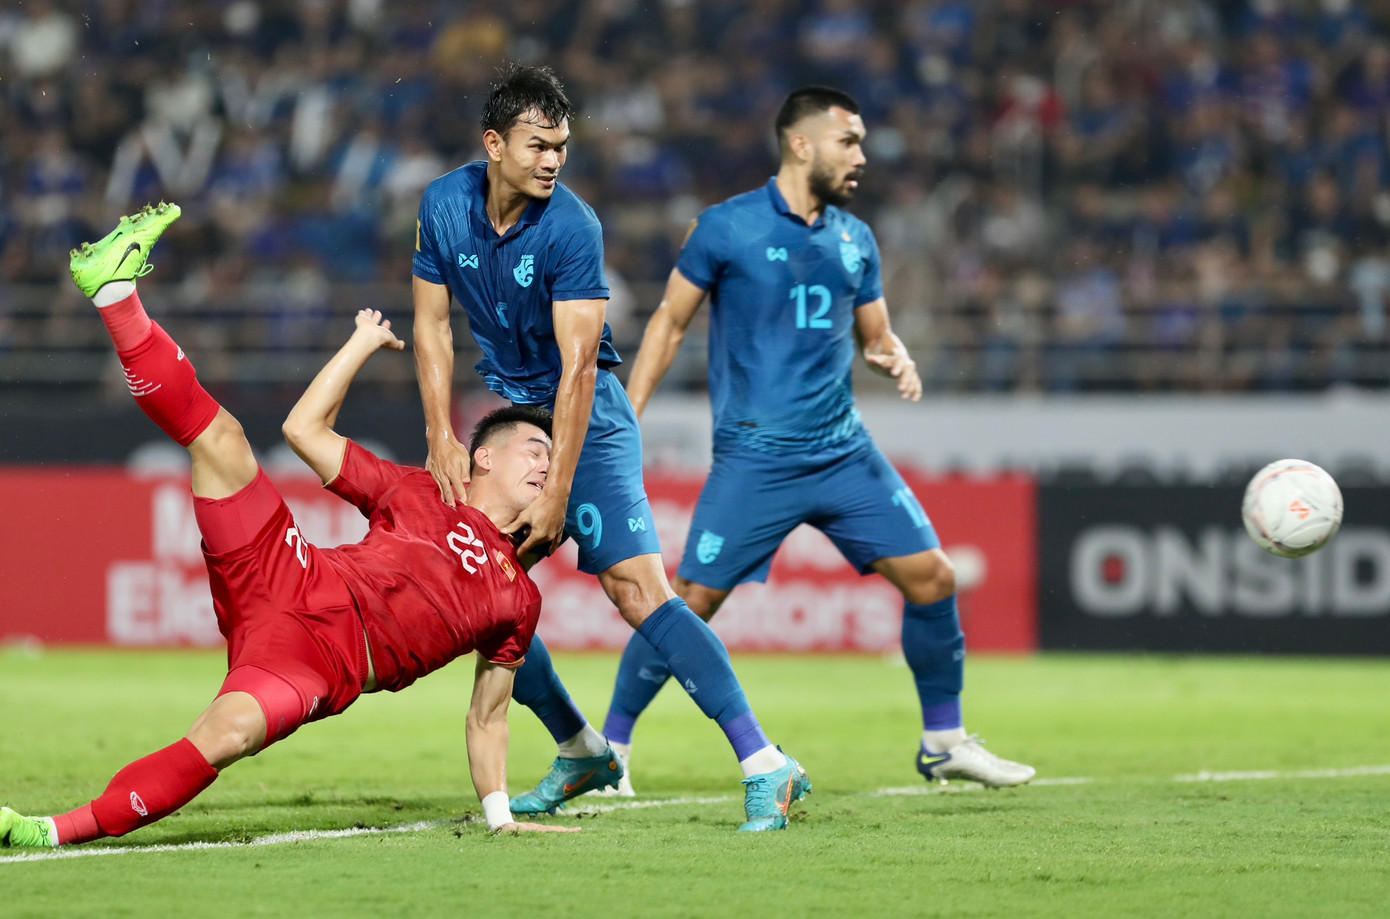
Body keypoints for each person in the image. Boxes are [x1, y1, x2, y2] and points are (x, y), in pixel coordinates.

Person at [0, 204, 577, 849]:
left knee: (225, 737)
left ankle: (45, 832)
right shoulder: (419, 491)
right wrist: (359, 345)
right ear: (485, 457)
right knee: (221, 440)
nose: (546, 466)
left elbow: (488, 714)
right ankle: (116, 292)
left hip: (322, 660)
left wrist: (499, 815)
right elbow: (304, 430)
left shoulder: (519, 598)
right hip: (294, 572)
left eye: (553, 463)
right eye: (536, 450)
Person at [598, 87, 1036, 792]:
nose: (861, 156)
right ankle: (611, 748)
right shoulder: (725, 227)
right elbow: (668, 325)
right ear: (801, 144)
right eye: (849, 141)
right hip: (756, 458)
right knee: (685, 601)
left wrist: (893, 352)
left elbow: (873, 331)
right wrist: (627, 415)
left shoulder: (855, 238)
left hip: (842, 452)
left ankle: (944, 739)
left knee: (934, 578)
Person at [412, 63, 809, 830]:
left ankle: (766, 763)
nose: (553, 161)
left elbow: (579, 366)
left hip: (586, 418)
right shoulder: (442, 205)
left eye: (561, 146)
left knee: (634, 589)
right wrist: (438, 433)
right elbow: (429, 326)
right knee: (483, 597)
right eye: (537, 145)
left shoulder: (572, 226)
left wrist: (559, 481)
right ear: (494, 144)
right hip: (515, 416)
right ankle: (580, 748)